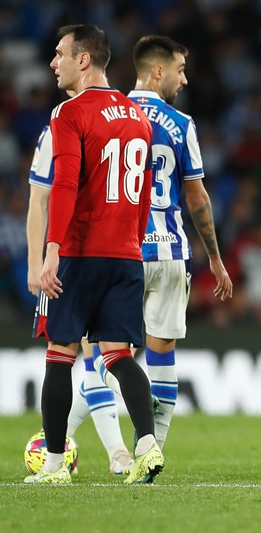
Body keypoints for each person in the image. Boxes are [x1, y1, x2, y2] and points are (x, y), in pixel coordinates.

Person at [27, 24, 162, 484]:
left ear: (84, 60)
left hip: (79, 252)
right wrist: (131, 243)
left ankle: (53, 465)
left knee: (60, 354)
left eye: (60, 53)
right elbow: (143, 194)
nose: (53, 62)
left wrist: (51, 251)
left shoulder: (69, 113)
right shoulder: (137, 116)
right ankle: (146, 444)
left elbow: (63, 185)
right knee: (117, 355)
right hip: (126, 252)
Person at [91, 35, 233, 452]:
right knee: (162, 356)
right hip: (170, 251)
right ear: (158, 71)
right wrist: (216, 259)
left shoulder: (107, 116)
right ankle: (152, 453)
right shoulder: (182, 124)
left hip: (120, 251)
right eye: (180, 70)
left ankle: (114, 431)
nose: (184, 80)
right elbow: (197, 198)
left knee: (105, 353)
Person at [27, 119, 135, 475]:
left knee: (103, 359)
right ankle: (116, 451)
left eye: (61, 57)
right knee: (84, 356)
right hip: (73, 258)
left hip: (103, 254)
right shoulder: (55, 131)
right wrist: (35, 262)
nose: (56, 63)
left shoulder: (98, 129)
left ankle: (64, 441)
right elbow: (39, 200)